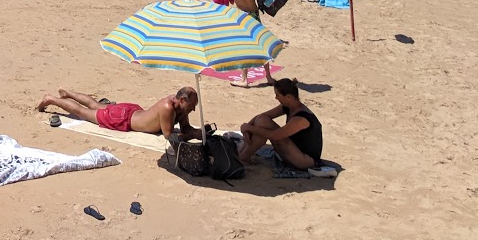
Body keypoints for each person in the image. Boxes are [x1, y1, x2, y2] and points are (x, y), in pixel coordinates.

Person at [37, 86, 200, 140]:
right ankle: (51, 99)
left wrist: (201, 133)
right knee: (83, 112)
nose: (193, 109)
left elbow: (185, 129)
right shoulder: (168, 107)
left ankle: (69, 94)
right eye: (192, 106)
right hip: (123, 120)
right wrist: (192, 136)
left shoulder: (181, 106)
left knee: (95, 104)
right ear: (182, 101)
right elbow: (169, 136)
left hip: (132, 111)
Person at [237, 78, 323, 169]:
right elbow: (263, 116)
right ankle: (242, 155)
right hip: (294, 150)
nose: (276, 98)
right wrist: (248, 127)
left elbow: (276, 135)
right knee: (262, 121)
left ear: (288, 97)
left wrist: (250, 128)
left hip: (304, 160)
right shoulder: (289, 106)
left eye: (277, 95)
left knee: (262, 126)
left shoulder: (301, 118)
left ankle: (243, 157)